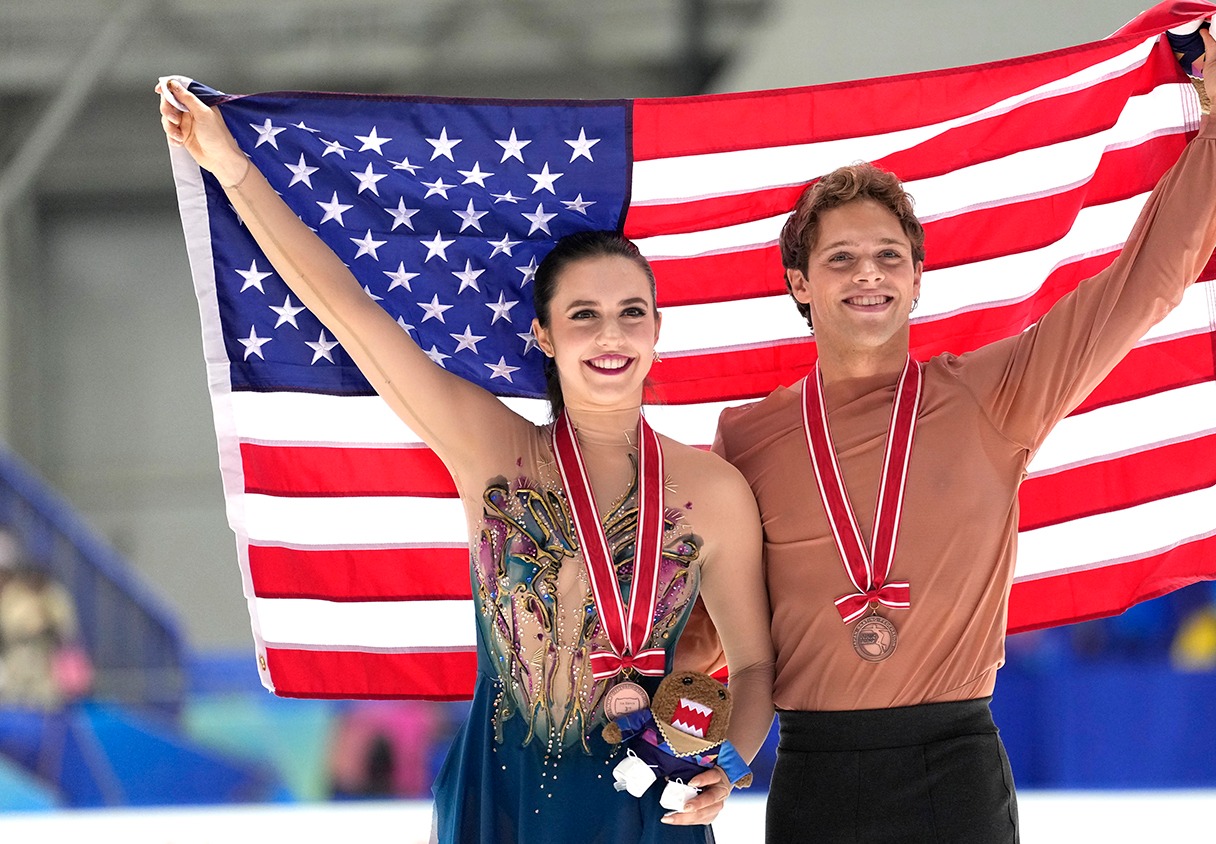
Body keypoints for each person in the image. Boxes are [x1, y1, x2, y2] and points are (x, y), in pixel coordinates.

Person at [679, 6, 1216, 841]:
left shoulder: (994, 394)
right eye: (841, 259)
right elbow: (712, 630)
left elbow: (1146, 280)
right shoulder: (746, 438)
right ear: (799, 284)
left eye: (891, 257)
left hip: (953, 770)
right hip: (814, 774)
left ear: (920, 280)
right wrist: (672, 738)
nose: (869, 277)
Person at [158, 80, 774, 843]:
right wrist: (233, 168)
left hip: (648, 802)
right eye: (583, 315)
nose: (610, 337)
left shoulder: (712, 490)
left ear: (656, 330)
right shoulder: (492, 449)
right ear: (544, 337)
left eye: (630, 314)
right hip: (498, 802)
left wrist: (730, 765)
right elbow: (350, 314)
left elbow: (753, 666)